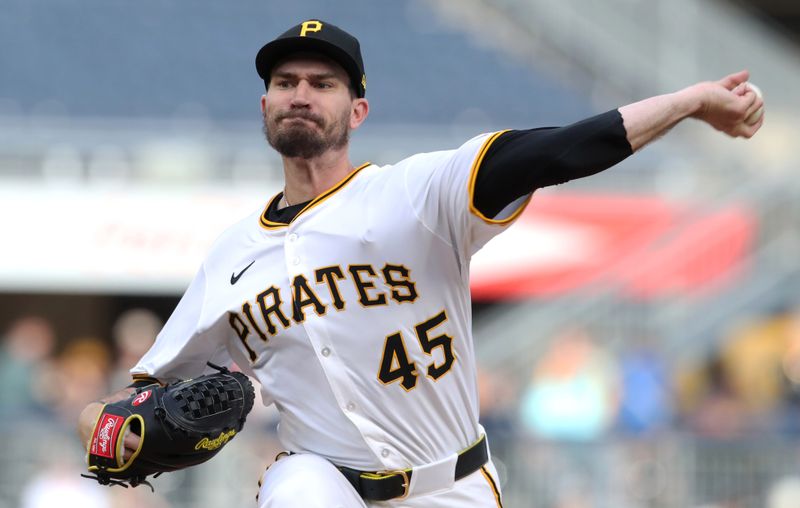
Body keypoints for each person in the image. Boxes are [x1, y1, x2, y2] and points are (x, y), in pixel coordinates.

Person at [77, 19, 764, 507]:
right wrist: (109, 434)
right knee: (297, 488)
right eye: (285, 81)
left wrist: (687, 103)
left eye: (323, 82)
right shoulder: (231, 256)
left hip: (450, 484)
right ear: (265, 106)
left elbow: (558, 151)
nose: (301, 93)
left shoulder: (417, 194)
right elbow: (119, 408)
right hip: (322, 480)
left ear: (359, 109)